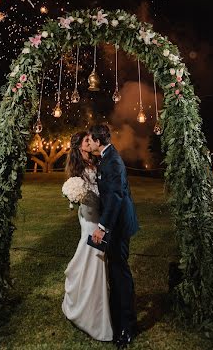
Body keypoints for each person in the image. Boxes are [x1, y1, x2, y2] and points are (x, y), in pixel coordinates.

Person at [89, 124, 139, 349]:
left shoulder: (113, 161)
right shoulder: (105, 158)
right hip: (114, 224)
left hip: (118, 225)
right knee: (115, 272)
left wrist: (102, 226)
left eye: (91, 140)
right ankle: (118, 319)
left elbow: (116, 196)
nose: (89, 143)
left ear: (99, 141)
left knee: (120, 273)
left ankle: (127, 327)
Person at [62, 131, 113, 341]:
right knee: (94, 254)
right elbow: (83, 192)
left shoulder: (95, 162)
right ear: (79, 146)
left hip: (98, 213)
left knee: (95, 256)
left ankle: (88, 299)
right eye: (86, 141)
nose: (89, 142)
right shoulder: (77, 167)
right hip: (89, 215)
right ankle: (90, 314)